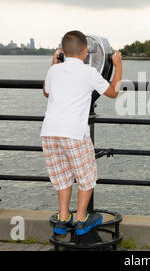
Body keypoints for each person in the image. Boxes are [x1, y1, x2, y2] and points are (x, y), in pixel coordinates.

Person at [40, 30, 122, 236]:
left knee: (62, 176)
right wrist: (118, 64)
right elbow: (113, 92)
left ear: (62, 52)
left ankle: (63, 217)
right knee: (87, 176)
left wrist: (53, 63)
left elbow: (46, 91)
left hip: (49, 133)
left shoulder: (54, 70)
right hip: (74, 133)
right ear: (86, 51)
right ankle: (81, 219)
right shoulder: (89, 73)